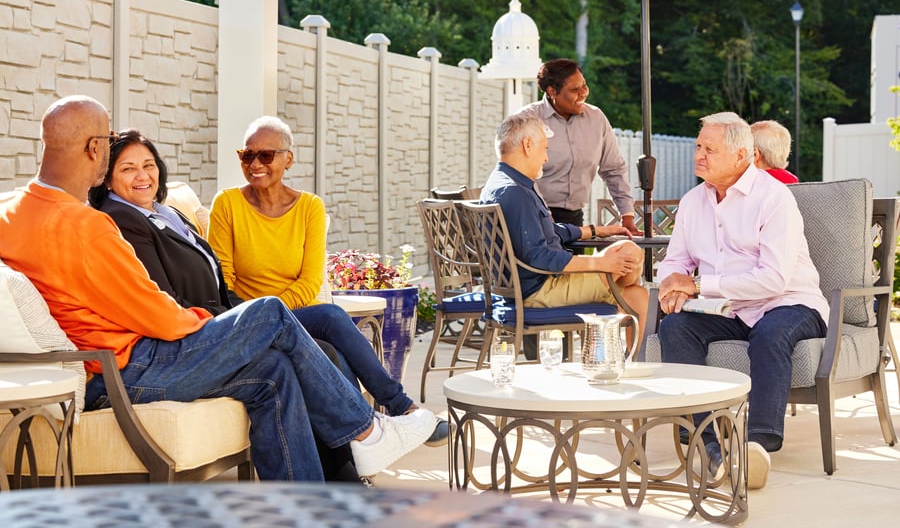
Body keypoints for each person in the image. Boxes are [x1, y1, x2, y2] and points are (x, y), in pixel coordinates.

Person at [0, 95, 437, 482]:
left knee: (272, 373)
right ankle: (366, 431)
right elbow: (159, 316)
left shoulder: (10, 214)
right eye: (109, 141)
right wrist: (217, 325)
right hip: (128, 371)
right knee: (267, 314)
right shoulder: (89, 226)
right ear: (96, 148)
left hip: (107, 365)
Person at [206, 116, 448, 445]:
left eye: (266, 155)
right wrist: (267, 313)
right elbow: (223, 280)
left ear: (288, 158)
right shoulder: (227, 204)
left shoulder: (309, 207)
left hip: (300, 315)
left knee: (330, 346)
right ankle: (398, 410)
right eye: (247, 155)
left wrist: (281, 312)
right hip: (253, 319)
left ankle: (368, 438)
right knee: (331, 323)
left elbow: (308, 283)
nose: (255, 163)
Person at [656, 112, 828, 490]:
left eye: (709, 149)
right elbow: (675, 260)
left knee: (769, 334)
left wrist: (698, 285)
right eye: (698, 146)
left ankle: (756, 446)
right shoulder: (692, 202)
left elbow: (773, 278)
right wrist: (671, 281)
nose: (698, 155)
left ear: (741, 156)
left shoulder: (773, 198)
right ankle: (708, 442)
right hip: (730, 307)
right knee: (676, 326)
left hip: (790, 301)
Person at [480, 114, 649, 348]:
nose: (546, 157)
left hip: (528, 287)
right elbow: (539, 256)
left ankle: (632, 364)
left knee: (637, 294)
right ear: (528, 146)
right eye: (544, 149)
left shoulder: (502, 184)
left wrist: (593, 231)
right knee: (629, 251)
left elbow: (546, 232)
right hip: (540, 291)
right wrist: (601, 264)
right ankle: (614, 353)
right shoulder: (515, 193)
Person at [509, 59, 638, 252]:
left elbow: (613, 169)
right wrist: (543, 212)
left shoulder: (596, 118)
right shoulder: (526, 120)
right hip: (534, 219)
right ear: (552, 91)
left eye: (584, 85)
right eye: (575, 89)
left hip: (574, 221)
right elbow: (518, 175)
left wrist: (626, 214)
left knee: (574, 276)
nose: (583, 92)